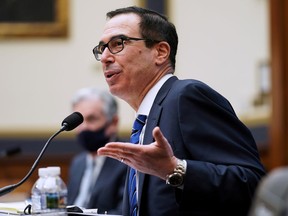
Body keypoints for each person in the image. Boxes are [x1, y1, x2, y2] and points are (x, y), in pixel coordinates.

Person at [94, 6, 266, 216]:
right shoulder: (145, 120)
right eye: (101, 48)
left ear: (160, 52)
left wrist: (176, 169)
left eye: (117, 44)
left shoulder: (186, 96)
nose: (104, 57)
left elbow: (253, 184)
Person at [67, 87, 127, 215]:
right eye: (79, 122)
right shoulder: (78, 162)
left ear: (113, 123)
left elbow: (123, 212)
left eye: (91, 119)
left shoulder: (128, 161)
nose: (83, 128)